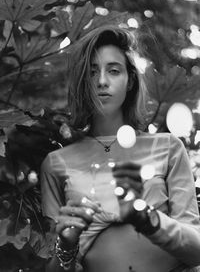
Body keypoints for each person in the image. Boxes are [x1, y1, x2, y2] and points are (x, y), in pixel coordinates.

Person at [40, 25, 200, 272]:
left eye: (113, 71)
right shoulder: (56, 163)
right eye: (92, 73)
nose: (102, 81)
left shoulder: (168, 147)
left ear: (130, 81)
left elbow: (196, 251)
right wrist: (67, 244)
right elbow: (54, 267)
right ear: (82, 82)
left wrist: (146, 217)